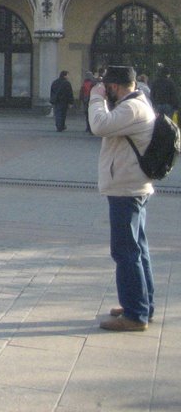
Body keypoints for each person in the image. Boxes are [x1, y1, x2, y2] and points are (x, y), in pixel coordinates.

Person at [88, 65, 157, 331]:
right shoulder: (137, 103)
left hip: (126, 189)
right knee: (138, 249)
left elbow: (98, 125)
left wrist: (96, 97)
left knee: (126, 252)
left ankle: (135, 315)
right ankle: (140, 305)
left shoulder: (130, 108)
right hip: (132, 185)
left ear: (114, 87)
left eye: (107, 87)